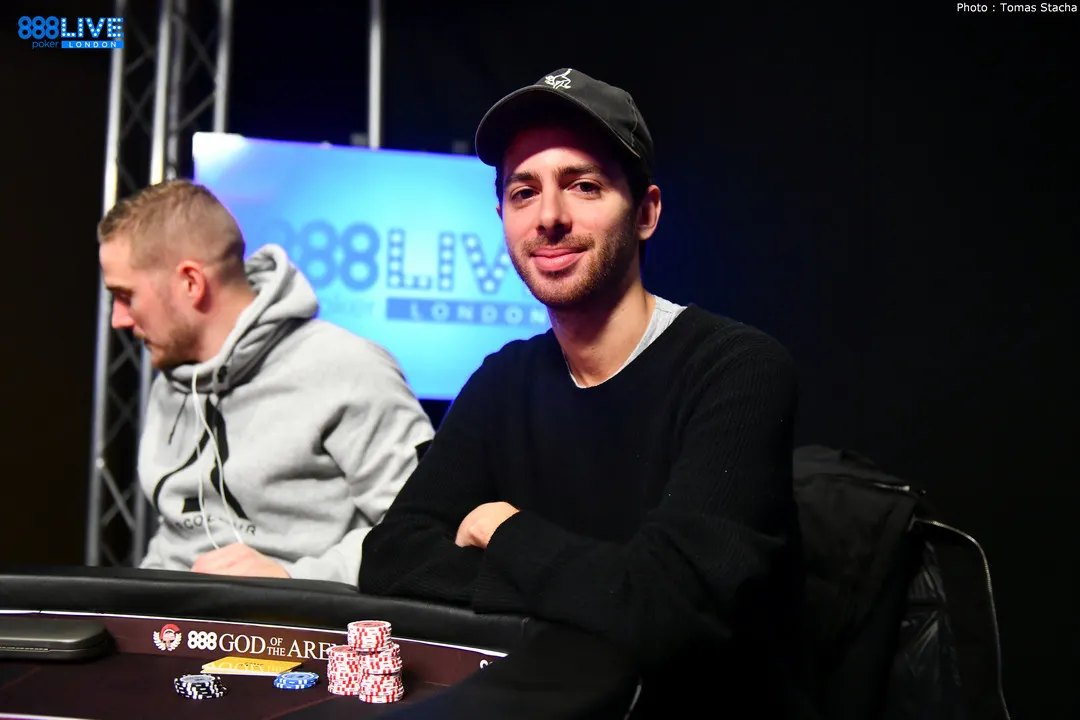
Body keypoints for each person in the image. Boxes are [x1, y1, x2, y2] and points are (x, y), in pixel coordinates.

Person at [360, 68, 814, 716]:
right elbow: (390, 558)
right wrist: (596, 589)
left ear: (646, 213)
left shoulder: (736, 368)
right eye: (524, 192)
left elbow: (668, 609)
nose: (549, 217)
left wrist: (504, 531)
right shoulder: (503, 379)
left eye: (584, 185)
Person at [97, 179, 434, 586]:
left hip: (295, 616)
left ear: (191, 283)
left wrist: (290, 580)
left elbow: (421, 528)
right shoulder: (173, 379)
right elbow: (178, 536)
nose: (118, 319)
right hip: (177, 616)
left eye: (126, 296)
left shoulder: (350, 368)